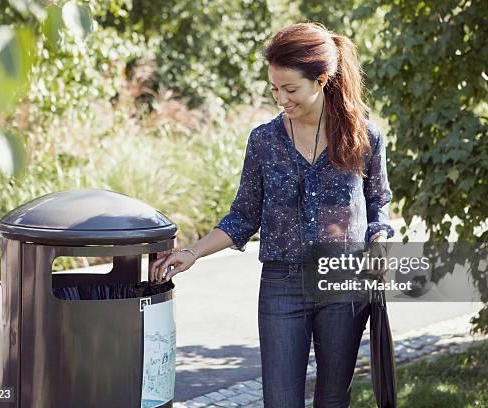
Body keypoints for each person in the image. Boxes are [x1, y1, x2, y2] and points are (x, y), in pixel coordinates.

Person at [149, 22, 394, 408]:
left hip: (343, 281)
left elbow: (377, 203)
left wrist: (378, 239)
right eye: (275, 89)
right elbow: (243, 216)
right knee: (280, 401)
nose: (281, 98)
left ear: (322, 80)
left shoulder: (365, 136)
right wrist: (192, 253)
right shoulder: (264, 141)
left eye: (290, 89)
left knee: (333, 399)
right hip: (282, 285)